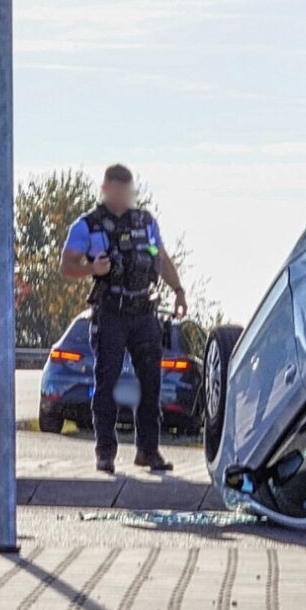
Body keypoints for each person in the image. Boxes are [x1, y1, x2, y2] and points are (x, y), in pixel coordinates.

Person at [61, 164, 189, 474]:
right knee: (107, 382)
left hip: (143, 310)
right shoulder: (87, 226)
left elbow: (161, 257)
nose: (122, 197)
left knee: (150, 383)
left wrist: (179, 290)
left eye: (127, 192)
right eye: (116, 191)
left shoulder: (145, 221)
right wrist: (93, 269)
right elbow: (66, 265)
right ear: (105, 190)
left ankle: (148, 450)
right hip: (111, 311)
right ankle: (105, 453)